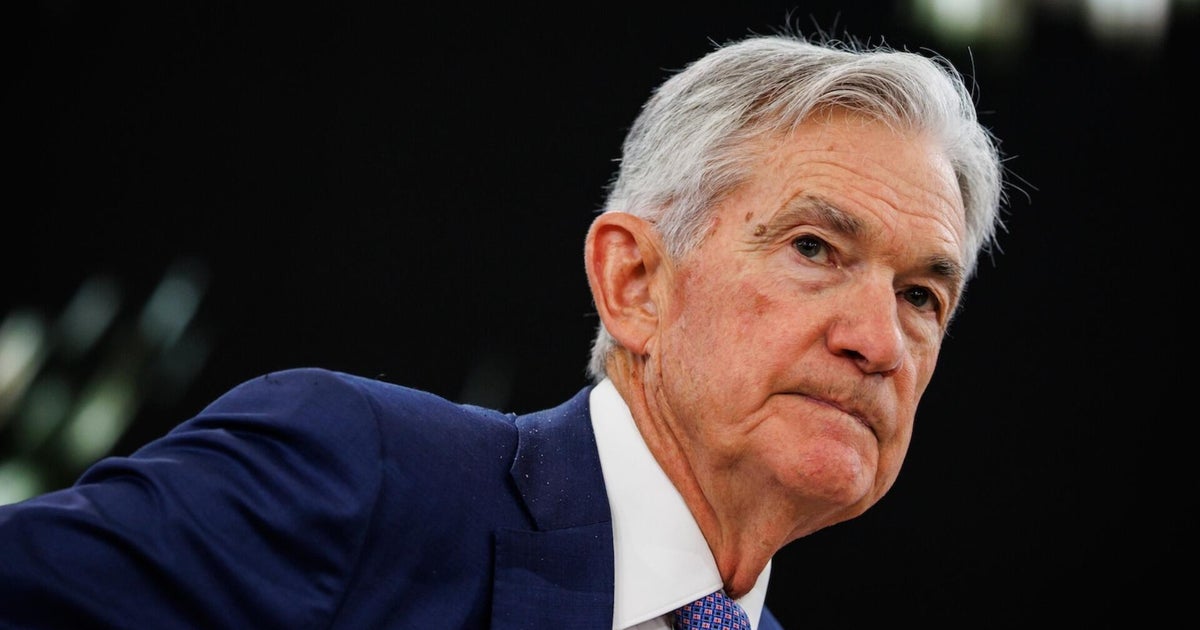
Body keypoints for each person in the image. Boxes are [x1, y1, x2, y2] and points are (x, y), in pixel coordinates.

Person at [0, 27, 1007, 630]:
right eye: (815, 248)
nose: (879, 341)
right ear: (635, 282)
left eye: (923, 296)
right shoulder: (362, 478)